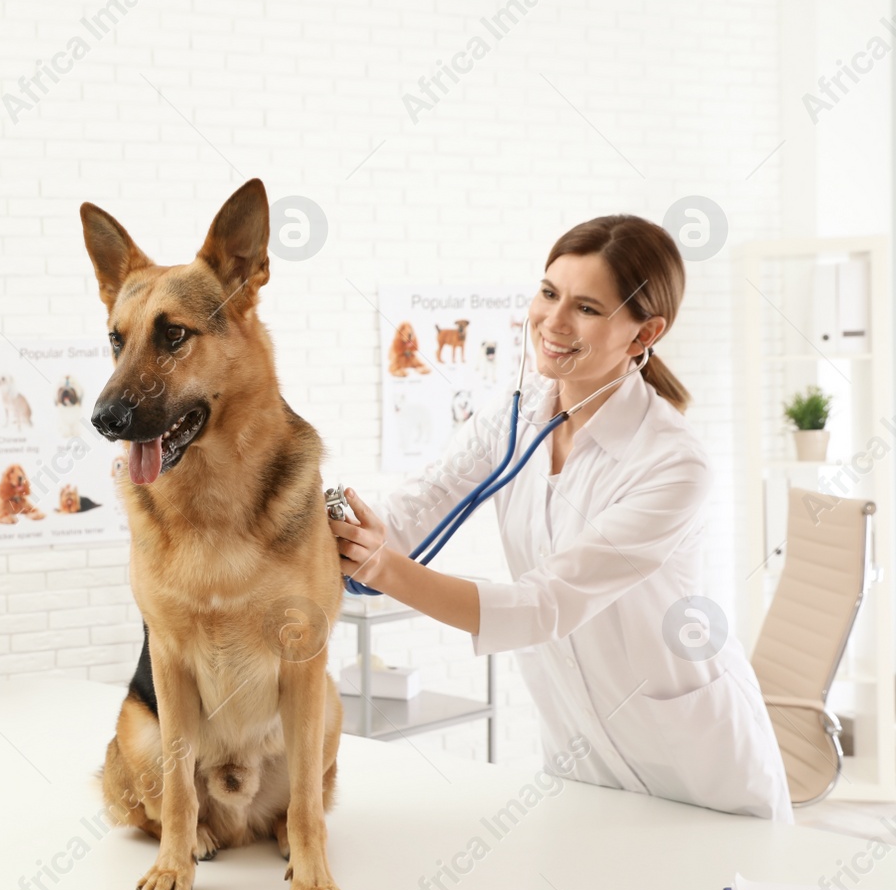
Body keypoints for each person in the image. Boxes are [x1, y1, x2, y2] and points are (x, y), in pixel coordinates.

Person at [331, 214, 792, 821]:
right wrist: (331, 518)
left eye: (587, 308)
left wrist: (384, 569)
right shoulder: (516, 415)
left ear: (642, 333)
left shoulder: (674, 464)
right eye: (549, 293)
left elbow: (543, 606)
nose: (552, 321)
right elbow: (420, 503)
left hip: (699, 770)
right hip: (581, 761)